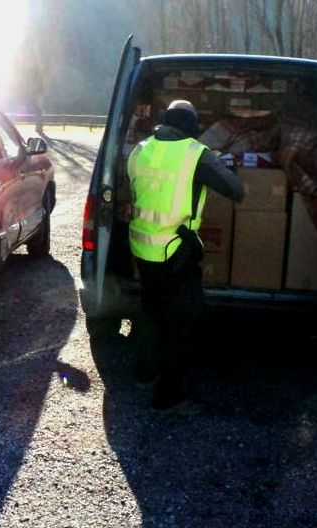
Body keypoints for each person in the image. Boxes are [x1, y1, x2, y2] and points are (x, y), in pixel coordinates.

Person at [127, 100, 244, 413]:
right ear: (192, 127)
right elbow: (236, 190)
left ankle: (144, 374)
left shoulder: (139, 150)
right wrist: (221, 165)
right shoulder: (196, 154)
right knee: (181, 325)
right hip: (174, 252)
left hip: (142, 248)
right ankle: (169, 399)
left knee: (150, 314)